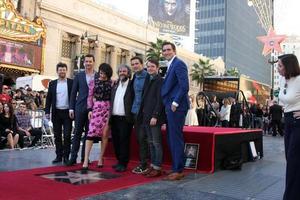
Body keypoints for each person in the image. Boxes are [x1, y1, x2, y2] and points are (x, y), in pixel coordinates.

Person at [161, 41, 189, 180]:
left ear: (174, 51)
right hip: (170, 107)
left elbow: (185, 86)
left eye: (168, 50)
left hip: (176, 107)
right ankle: (175, 167)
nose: (166, 52)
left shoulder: (179, 64)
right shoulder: (170, 65)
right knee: (171, 137)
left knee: (176, 138)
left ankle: (179, 169)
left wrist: (175, 102)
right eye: (164, 50)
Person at [277, 54, 300, 200]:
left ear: (289, 66)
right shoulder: (282, 80)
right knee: (290, 159)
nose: (277, 68)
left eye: (280, 65)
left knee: (293, 161)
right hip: (288, 121)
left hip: (298, 123)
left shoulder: (299, 80)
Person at [82, 63, 113, 170]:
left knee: (105, 134)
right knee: (90, 134)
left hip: (108, 110)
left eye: (104, 73)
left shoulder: (112, 83)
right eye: (100, 72)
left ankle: (101, 158)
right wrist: (89, 109)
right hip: (96, 109)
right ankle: (86, 159)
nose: (102, 75)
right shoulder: (93, 82)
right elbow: (90, 97)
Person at [67, 54, 96, 166]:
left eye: (90, 61)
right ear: (84, 63)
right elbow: (73, 93)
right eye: (86, 61)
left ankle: (85, 158)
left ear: (94, 62)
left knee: (89, 135)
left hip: (93, 110)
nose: (88, 63)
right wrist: (71, 108)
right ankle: (73, 157)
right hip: (79, 108)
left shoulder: (98, 75)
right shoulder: (78, 76)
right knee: (77, 133)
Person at [139, 59, 165, 177]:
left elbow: (160, 100)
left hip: (155, 117)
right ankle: (153, 165)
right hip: (146, 116)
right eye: (148, 66)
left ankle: (158, 167)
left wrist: (155, 115)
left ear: (157, 67)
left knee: (156, 143)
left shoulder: (160, 80)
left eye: (152, 66)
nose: (150, 68)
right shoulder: (147, 79)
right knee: (150, 142)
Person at [45, 62, 73, 164]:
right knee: (57, 136)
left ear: (66, 71)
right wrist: (47, 111)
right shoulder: (52, 83)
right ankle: (58, 156)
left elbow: (74, 97)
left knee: (67, 135)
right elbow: (48, 99)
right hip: (56, 113)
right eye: (60, 70)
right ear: (57, 71)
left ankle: (66, 156)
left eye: (64, 70)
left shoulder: (71, 82)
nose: (62, 71)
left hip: (67, 113)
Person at [110, 64, 134, 172]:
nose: (122, 73)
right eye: (120, 71)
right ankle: (119, 161)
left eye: (124, 71)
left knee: (124, 141)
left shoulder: (132, 85)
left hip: (125, 119)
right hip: (114, 117)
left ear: (128, 73)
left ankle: (123, 163)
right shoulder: (115, 85)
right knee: (116, 141)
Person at [130, 56, 149, 174]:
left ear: (142, 64)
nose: (135, 66)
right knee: (139, 138)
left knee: (143, 138)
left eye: (137, 63)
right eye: (133, 64)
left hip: (144, 113)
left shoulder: (148, 77)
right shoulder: (134, 77)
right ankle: (144, 162)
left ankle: (144, 164)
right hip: (135, 112)